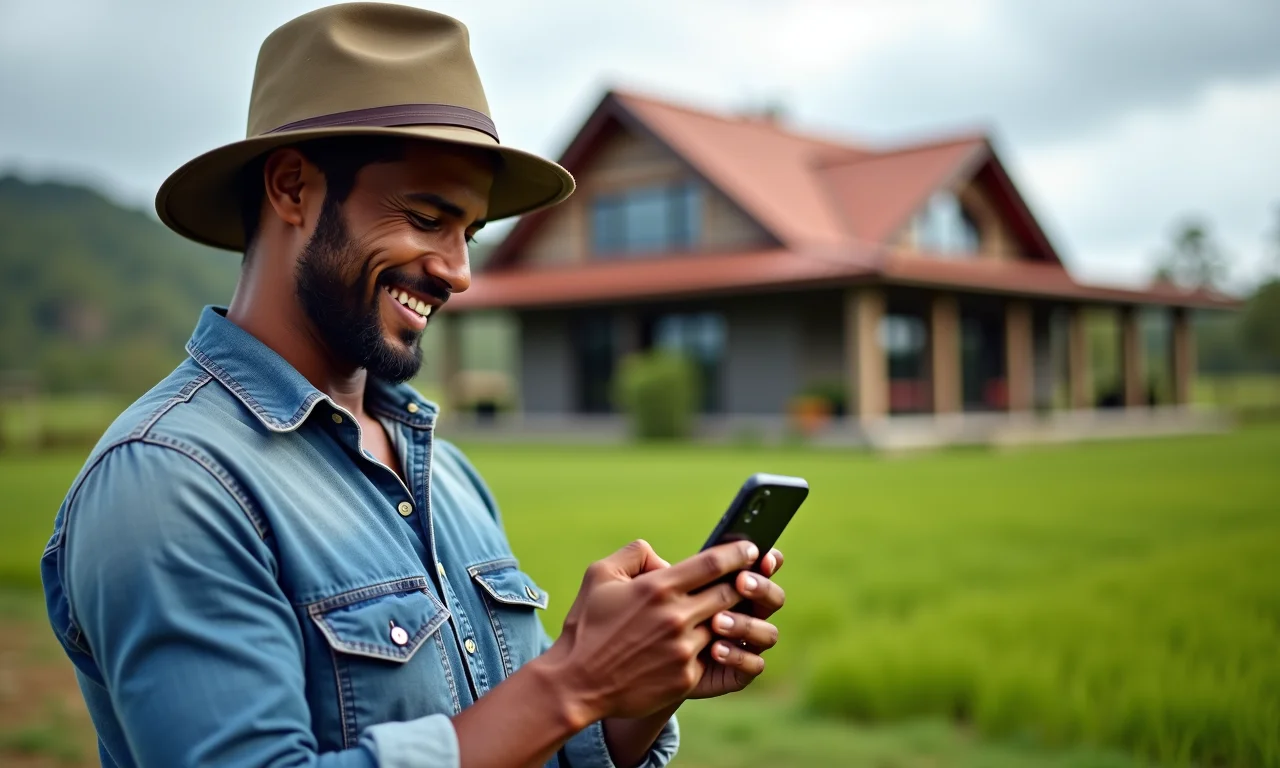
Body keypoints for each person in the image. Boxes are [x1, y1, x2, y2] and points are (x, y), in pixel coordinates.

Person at [40, 4, 788, 767]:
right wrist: (576, 679)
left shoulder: (449, 475)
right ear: (293, 187)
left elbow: (515, 745)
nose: (459, 271)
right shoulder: (169, 481)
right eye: (428, 218)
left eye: (469, 233)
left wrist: (634, 690)